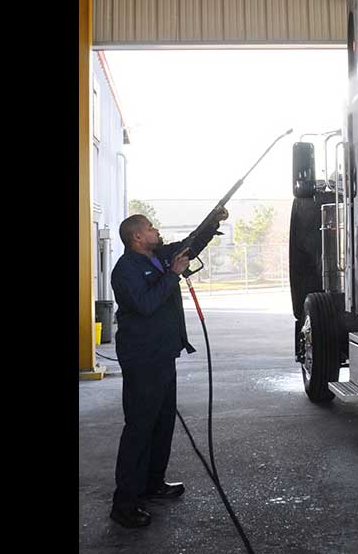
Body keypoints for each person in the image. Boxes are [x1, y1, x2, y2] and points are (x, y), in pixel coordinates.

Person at [108, 210, 227, 528]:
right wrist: (174, 274)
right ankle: (125, 504)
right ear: (136, 237)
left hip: (162, 355)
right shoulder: (126, 270)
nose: (155, 230)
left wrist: (213, 221)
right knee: (139, 428)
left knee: (162, 423)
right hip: (142, 358)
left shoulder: (158, 255)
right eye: (149, 228)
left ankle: (152, 484)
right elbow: (145, 305)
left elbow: (189, 246)